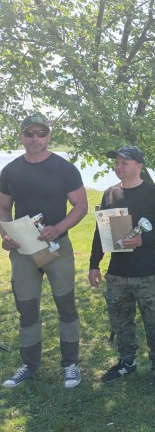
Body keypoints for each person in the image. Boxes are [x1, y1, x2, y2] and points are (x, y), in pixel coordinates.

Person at [0, 114, 88, 389]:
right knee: (27, 308)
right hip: (24, 249)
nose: (35, 139)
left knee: (66, 305)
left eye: (41, 133)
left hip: (56, 246)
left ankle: (70, 364)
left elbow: (81, 206)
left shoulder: (64, 168)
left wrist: (59, 228)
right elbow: (3, 207)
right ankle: (29, 364)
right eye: (30, 133)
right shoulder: (10, 171)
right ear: (21, 136)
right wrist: (5, 234)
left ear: (49, 136)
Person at [88, 145, 155, 386]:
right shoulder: (110, 194)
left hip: (147, 272)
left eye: (124, 162)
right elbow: (100, 232)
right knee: (121, 322)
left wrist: (144, 239)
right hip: (117, 273)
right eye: (116, 163)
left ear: (139, 166)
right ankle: (127, 362)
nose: (118, 167)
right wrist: (94, 264)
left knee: (154, 322)